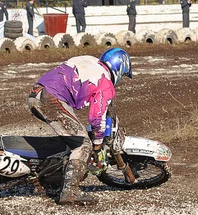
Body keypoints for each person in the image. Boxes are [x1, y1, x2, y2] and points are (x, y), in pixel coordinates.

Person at [27, 47, 132, 206]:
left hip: (36, 92)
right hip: (51, 99)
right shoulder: (105, 82)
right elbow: (96, 118)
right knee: (83, 144)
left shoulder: (89, 60)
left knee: (72, 137)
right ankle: (70, 192)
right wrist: (97, 144)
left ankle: (55, 172)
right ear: (119, 68)